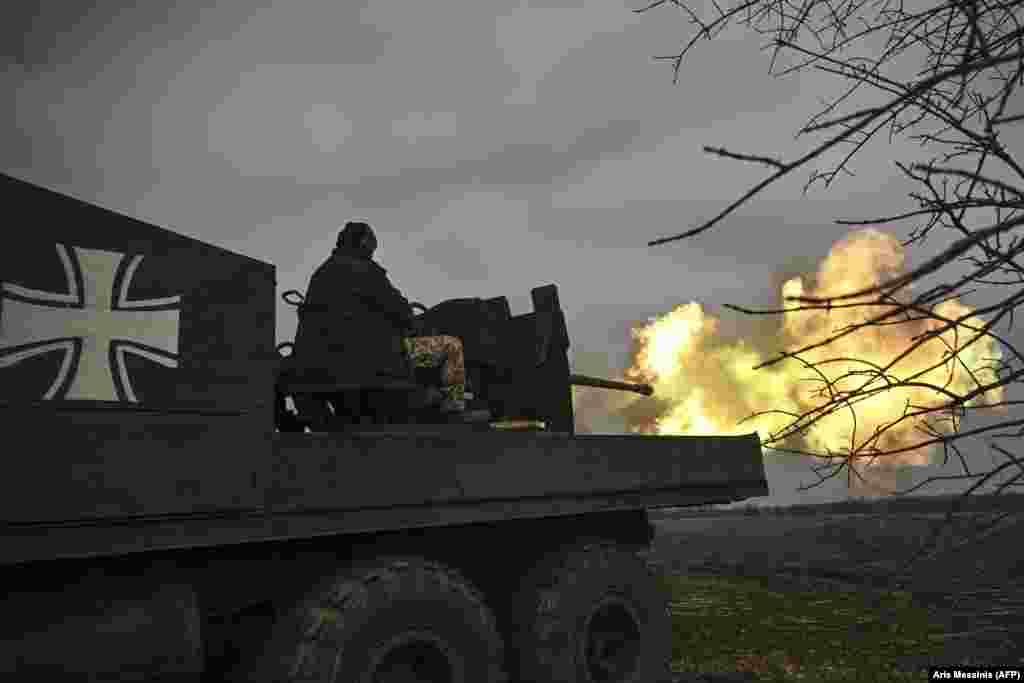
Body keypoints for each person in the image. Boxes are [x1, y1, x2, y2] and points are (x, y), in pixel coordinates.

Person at [292, 220, 470, 413]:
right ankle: (452, 409)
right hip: (375, 356)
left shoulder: (321, 274)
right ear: (364, 244)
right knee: (450, 346)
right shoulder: (365, 271)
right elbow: (401, 311)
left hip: (325, 361)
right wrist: (417, 326)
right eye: (371, 246)